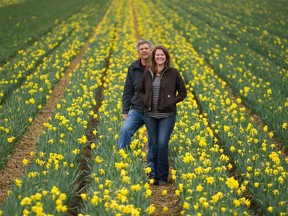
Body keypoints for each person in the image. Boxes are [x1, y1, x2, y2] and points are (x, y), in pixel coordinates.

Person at [137, 45, 187, 185]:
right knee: (153, 145)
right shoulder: (148, 73)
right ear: (154, 58)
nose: (159, 57)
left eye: (162, 55)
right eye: (157, 55)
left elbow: (183, 92)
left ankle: (163, 177)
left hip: (167, 115)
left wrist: (172, 101)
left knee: (162, 144)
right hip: (150, 115)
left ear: (166, 57)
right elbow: (139, 91)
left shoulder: (173, 73)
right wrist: (145, 100)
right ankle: (152, 174)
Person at [118, 39, 155, 177]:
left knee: (153, 139)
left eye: (146, 48)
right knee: (125, 130)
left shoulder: (158, 66)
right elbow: (127, 90)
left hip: (153, 111)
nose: (144, 50)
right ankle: (122, 162)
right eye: (141, 49)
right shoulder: (133, 68)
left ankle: (151, 169)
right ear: (138, 52)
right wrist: (125, 110)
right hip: (138, 109)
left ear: (151, 50)